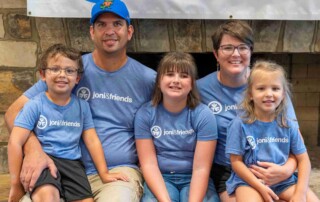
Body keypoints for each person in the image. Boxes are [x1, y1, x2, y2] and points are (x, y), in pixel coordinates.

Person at [4, 0, 156, 201]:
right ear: (92, 32)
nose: (109, 31)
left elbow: (172, 118)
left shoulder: (148, 79)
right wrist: (34, 150)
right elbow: (13, 113)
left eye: (117, 24)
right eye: (101, 25)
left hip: (115, 173)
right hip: (54, 168)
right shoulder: (68, 69)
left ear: (129, 32)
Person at [8, 44, 129, 202]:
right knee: (48, 196)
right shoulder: (35, 105)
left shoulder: (82, 106)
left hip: (73, 164)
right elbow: (15, 142)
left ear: (77, 78)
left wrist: (104, 173)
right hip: (45, 161)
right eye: (55, 69)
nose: (62, 75)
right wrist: (16, 183)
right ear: (43, 74)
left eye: (69, 70)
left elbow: (92, 140)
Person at [197, 20, 299, 202]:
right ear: (216, 54)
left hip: (276, 168)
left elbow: (295, 142)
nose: (235, 54)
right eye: (227, 48)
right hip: (229, 170)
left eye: (242, 47)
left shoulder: (271, 88)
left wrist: (286, 170)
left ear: (251, 52)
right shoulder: (200, 89)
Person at [225, 60, 319, 202]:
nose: (269, 94)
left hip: (284, 181)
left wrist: (300, 193)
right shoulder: (239, 124)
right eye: (261, 88)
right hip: (250, 182)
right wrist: (260, 187)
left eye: (275, 89)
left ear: (283, 95)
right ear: (250, 93)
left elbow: (304, 159)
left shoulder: (288, 124)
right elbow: (236, 162)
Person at [134, 52, 219, 202]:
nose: (176, 80)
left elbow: (201, 168)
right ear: (159, 81)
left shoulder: (204, 115)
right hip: (161, 177)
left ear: (192, 83)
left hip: (194, 176)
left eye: (184, 76)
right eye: (170, 74)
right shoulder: (145, 114)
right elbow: (148, 164)